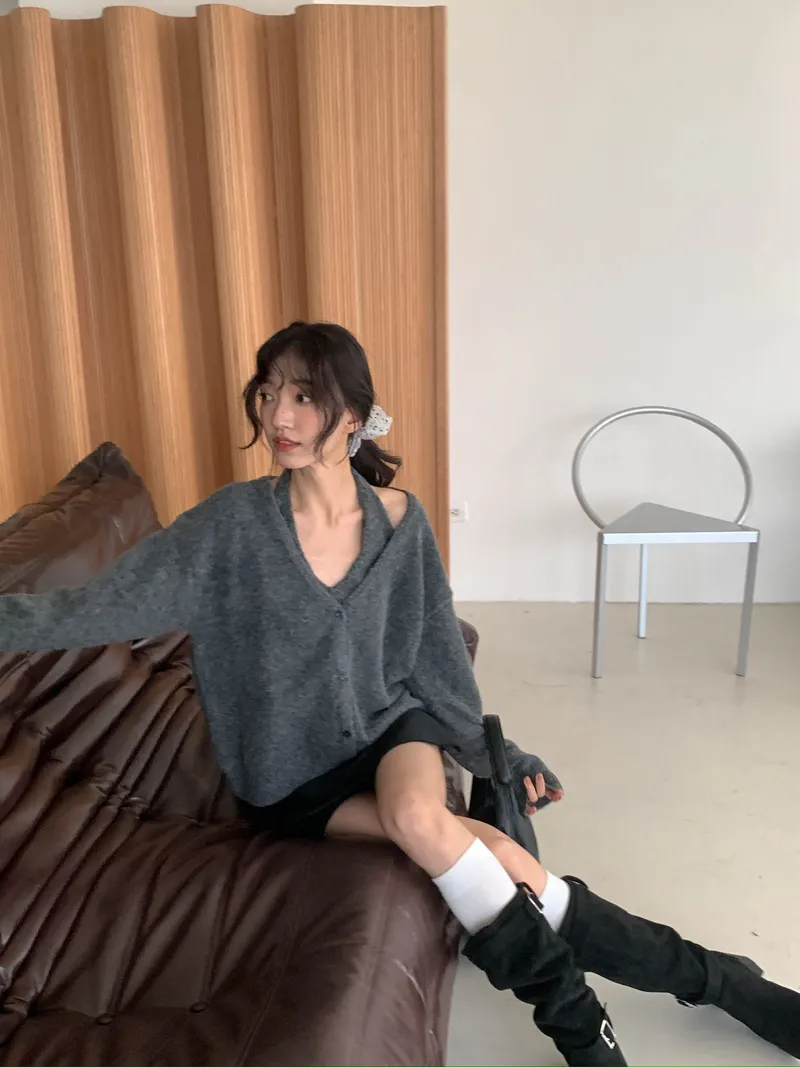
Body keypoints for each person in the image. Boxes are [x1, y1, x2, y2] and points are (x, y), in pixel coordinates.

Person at [0, 320, 797, 1067]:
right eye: (268, 392)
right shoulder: (230, 528)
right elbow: (94, 606)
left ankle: (587, 1030)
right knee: (498, 857)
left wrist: (498, 754)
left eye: (303, 395)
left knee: (421, 817)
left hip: (391, 732)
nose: (278, 414)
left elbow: (435, 656)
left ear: (352, 416)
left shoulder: (400, 524)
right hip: (292, 779)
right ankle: (718, 978)